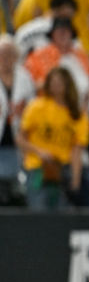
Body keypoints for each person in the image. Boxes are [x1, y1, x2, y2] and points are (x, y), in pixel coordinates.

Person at [17, 67, 89, 210]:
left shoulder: (77, 115)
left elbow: (76, 151)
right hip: (37, 168)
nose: (56, 86)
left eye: (60, 82)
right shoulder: (37, 106)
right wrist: (39, 151)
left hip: (62, 170)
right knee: (37, 211)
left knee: (61, 215)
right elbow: (20, 139)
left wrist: (76, 179)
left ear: (68, 84)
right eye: (53, 82)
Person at [23, 17, 89, 103]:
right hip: (50, 107)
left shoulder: (82, 57)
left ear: (71, 34)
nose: (62, 34)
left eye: (66, 31)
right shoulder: (38, 56)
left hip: (81, 108)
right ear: (52, 35)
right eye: (59, 31)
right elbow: (29, 85)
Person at [0, 36, 33, 184]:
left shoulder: (25, 77)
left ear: (16, 56)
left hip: (17, 136)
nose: (6, 58)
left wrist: (23, 110)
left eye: (9, 54)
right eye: (2, 54)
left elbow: (32, 105)